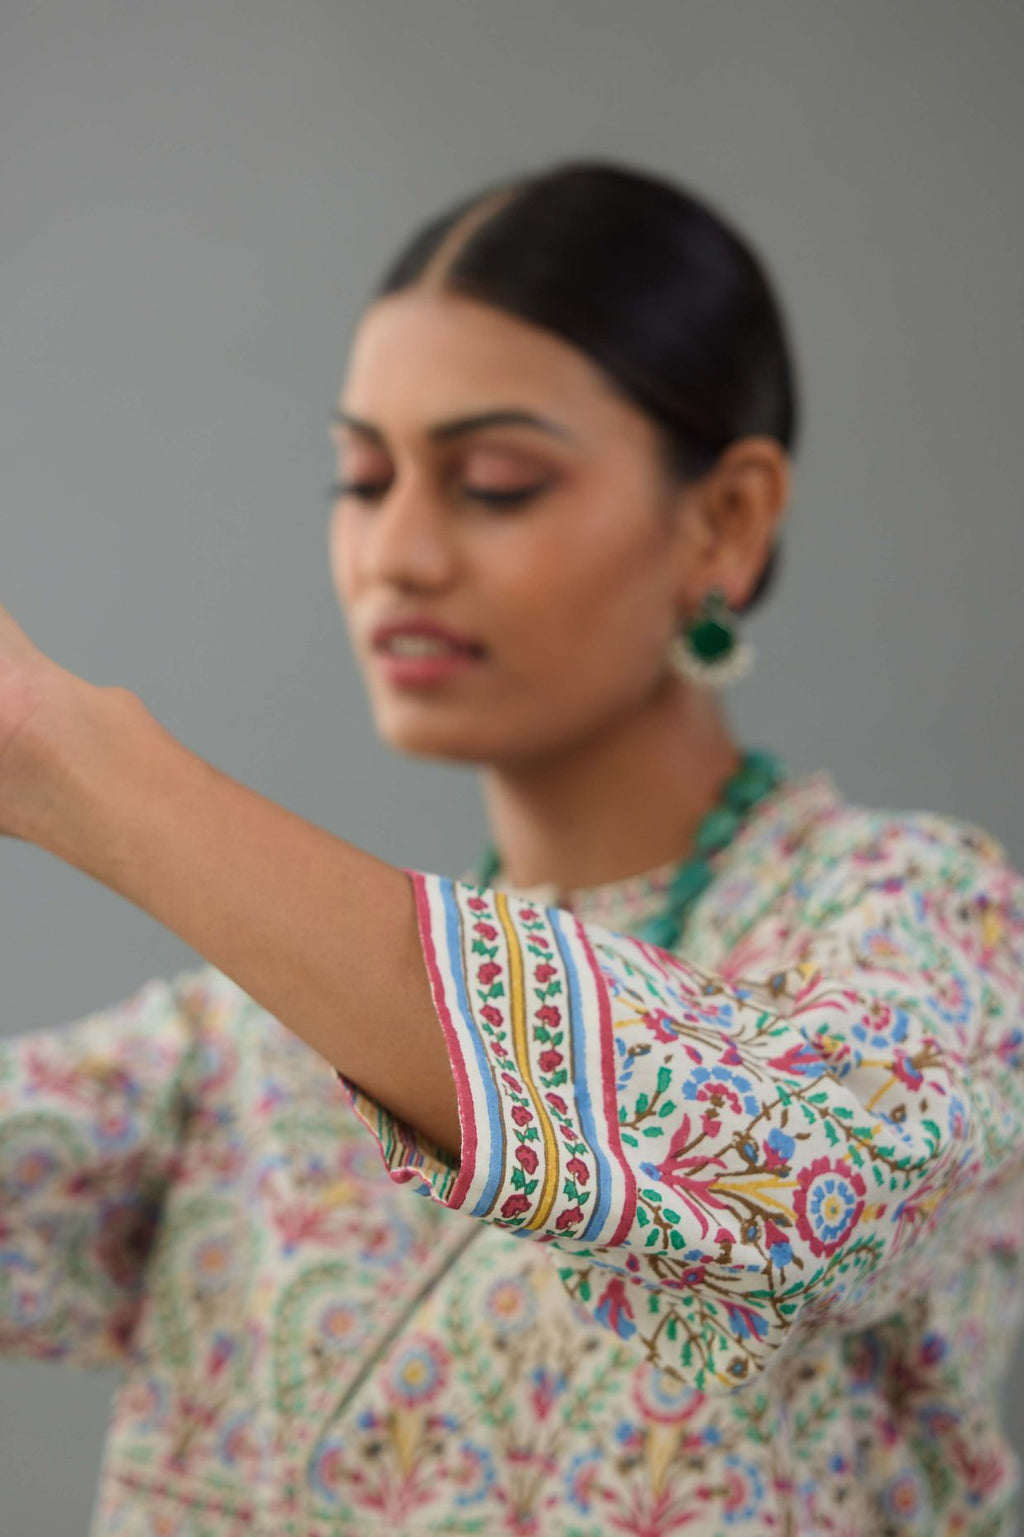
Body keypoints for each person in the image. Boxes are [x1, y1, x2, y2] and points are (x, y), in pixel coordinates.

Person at [1, 158, 1023, 1537]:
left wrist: (94, 768)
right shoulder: (236, 1048)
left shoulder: (924, 920)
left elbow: (796, 1184)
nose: (397, 553)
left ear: (724, 519)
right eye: (363, 479)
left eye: (493, 482)